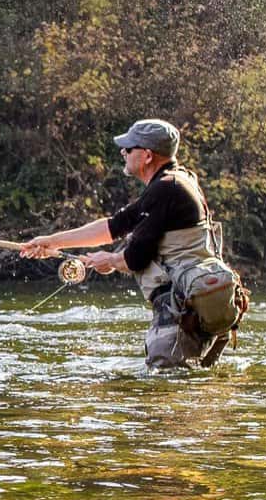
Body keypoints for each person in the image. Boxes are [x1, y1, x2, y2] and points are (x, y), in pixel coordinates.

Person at [16, 118, 235, 369]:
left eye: (129, 148)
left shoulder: (166, 189)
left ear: (147, 156)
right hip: (198, 307)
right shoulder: (178, 181)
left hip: (181, 311)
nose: (123, 152)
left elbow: (135, 258)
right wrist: (51, 242)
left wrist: (108, 260)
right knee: (186, 390)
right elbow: (114, 226)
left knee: (166, 389)